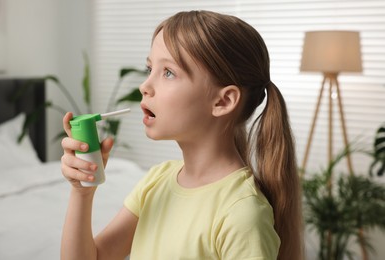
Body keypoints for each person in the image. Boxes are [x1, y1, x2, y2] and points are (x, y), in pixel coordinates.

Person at [60, 10, 303, 260]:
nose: (144, 86)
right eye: (149, 68)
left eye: (168, 73)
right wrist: (82, 192)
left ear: (223, 101)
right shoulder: (156, 181)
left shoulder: (241, 213)